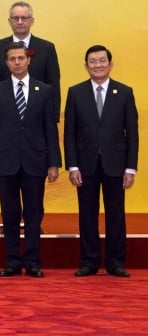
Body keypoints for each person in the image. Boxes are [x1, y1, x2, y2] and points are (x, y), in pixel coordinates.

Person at [0, 42, 60, 277]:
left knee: (34, 212)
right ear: (6, 63)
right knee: (9, 212)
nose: (17, 62)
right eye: (12, 59)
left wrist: (54, 162)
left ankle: (33, 261)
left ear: (29, 60)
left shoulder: (44, 90)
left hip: (35, 160)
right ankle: (13, 261)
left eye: (21, 58)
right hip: (5, 160)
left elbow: (50, 128)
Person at [64, 45, 139, 277]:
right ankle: (89, 261)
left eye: (102, 61)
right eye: (93, 62)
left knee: (116, 214)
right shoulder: (75, 92)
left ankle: (115, 262)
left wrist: (130, 167)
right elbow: (69, 133)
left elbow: (132, 134)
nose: (98, 65)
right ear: (86, 66)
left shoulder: (124, 92)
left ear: (110, 64)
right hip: (85, 165)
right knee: (87, 214)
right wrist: (72, 165)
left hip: (116, 164)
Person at [0, 1, 61, 122]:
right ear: (10, 21)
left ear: (32, 21)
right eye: (15, 18)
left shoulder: (46, 48)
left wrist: (53, 118)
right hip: (5, 117)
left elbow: (53, 85)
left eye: (24, 18)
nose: (20, 22)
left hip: (38, 118)